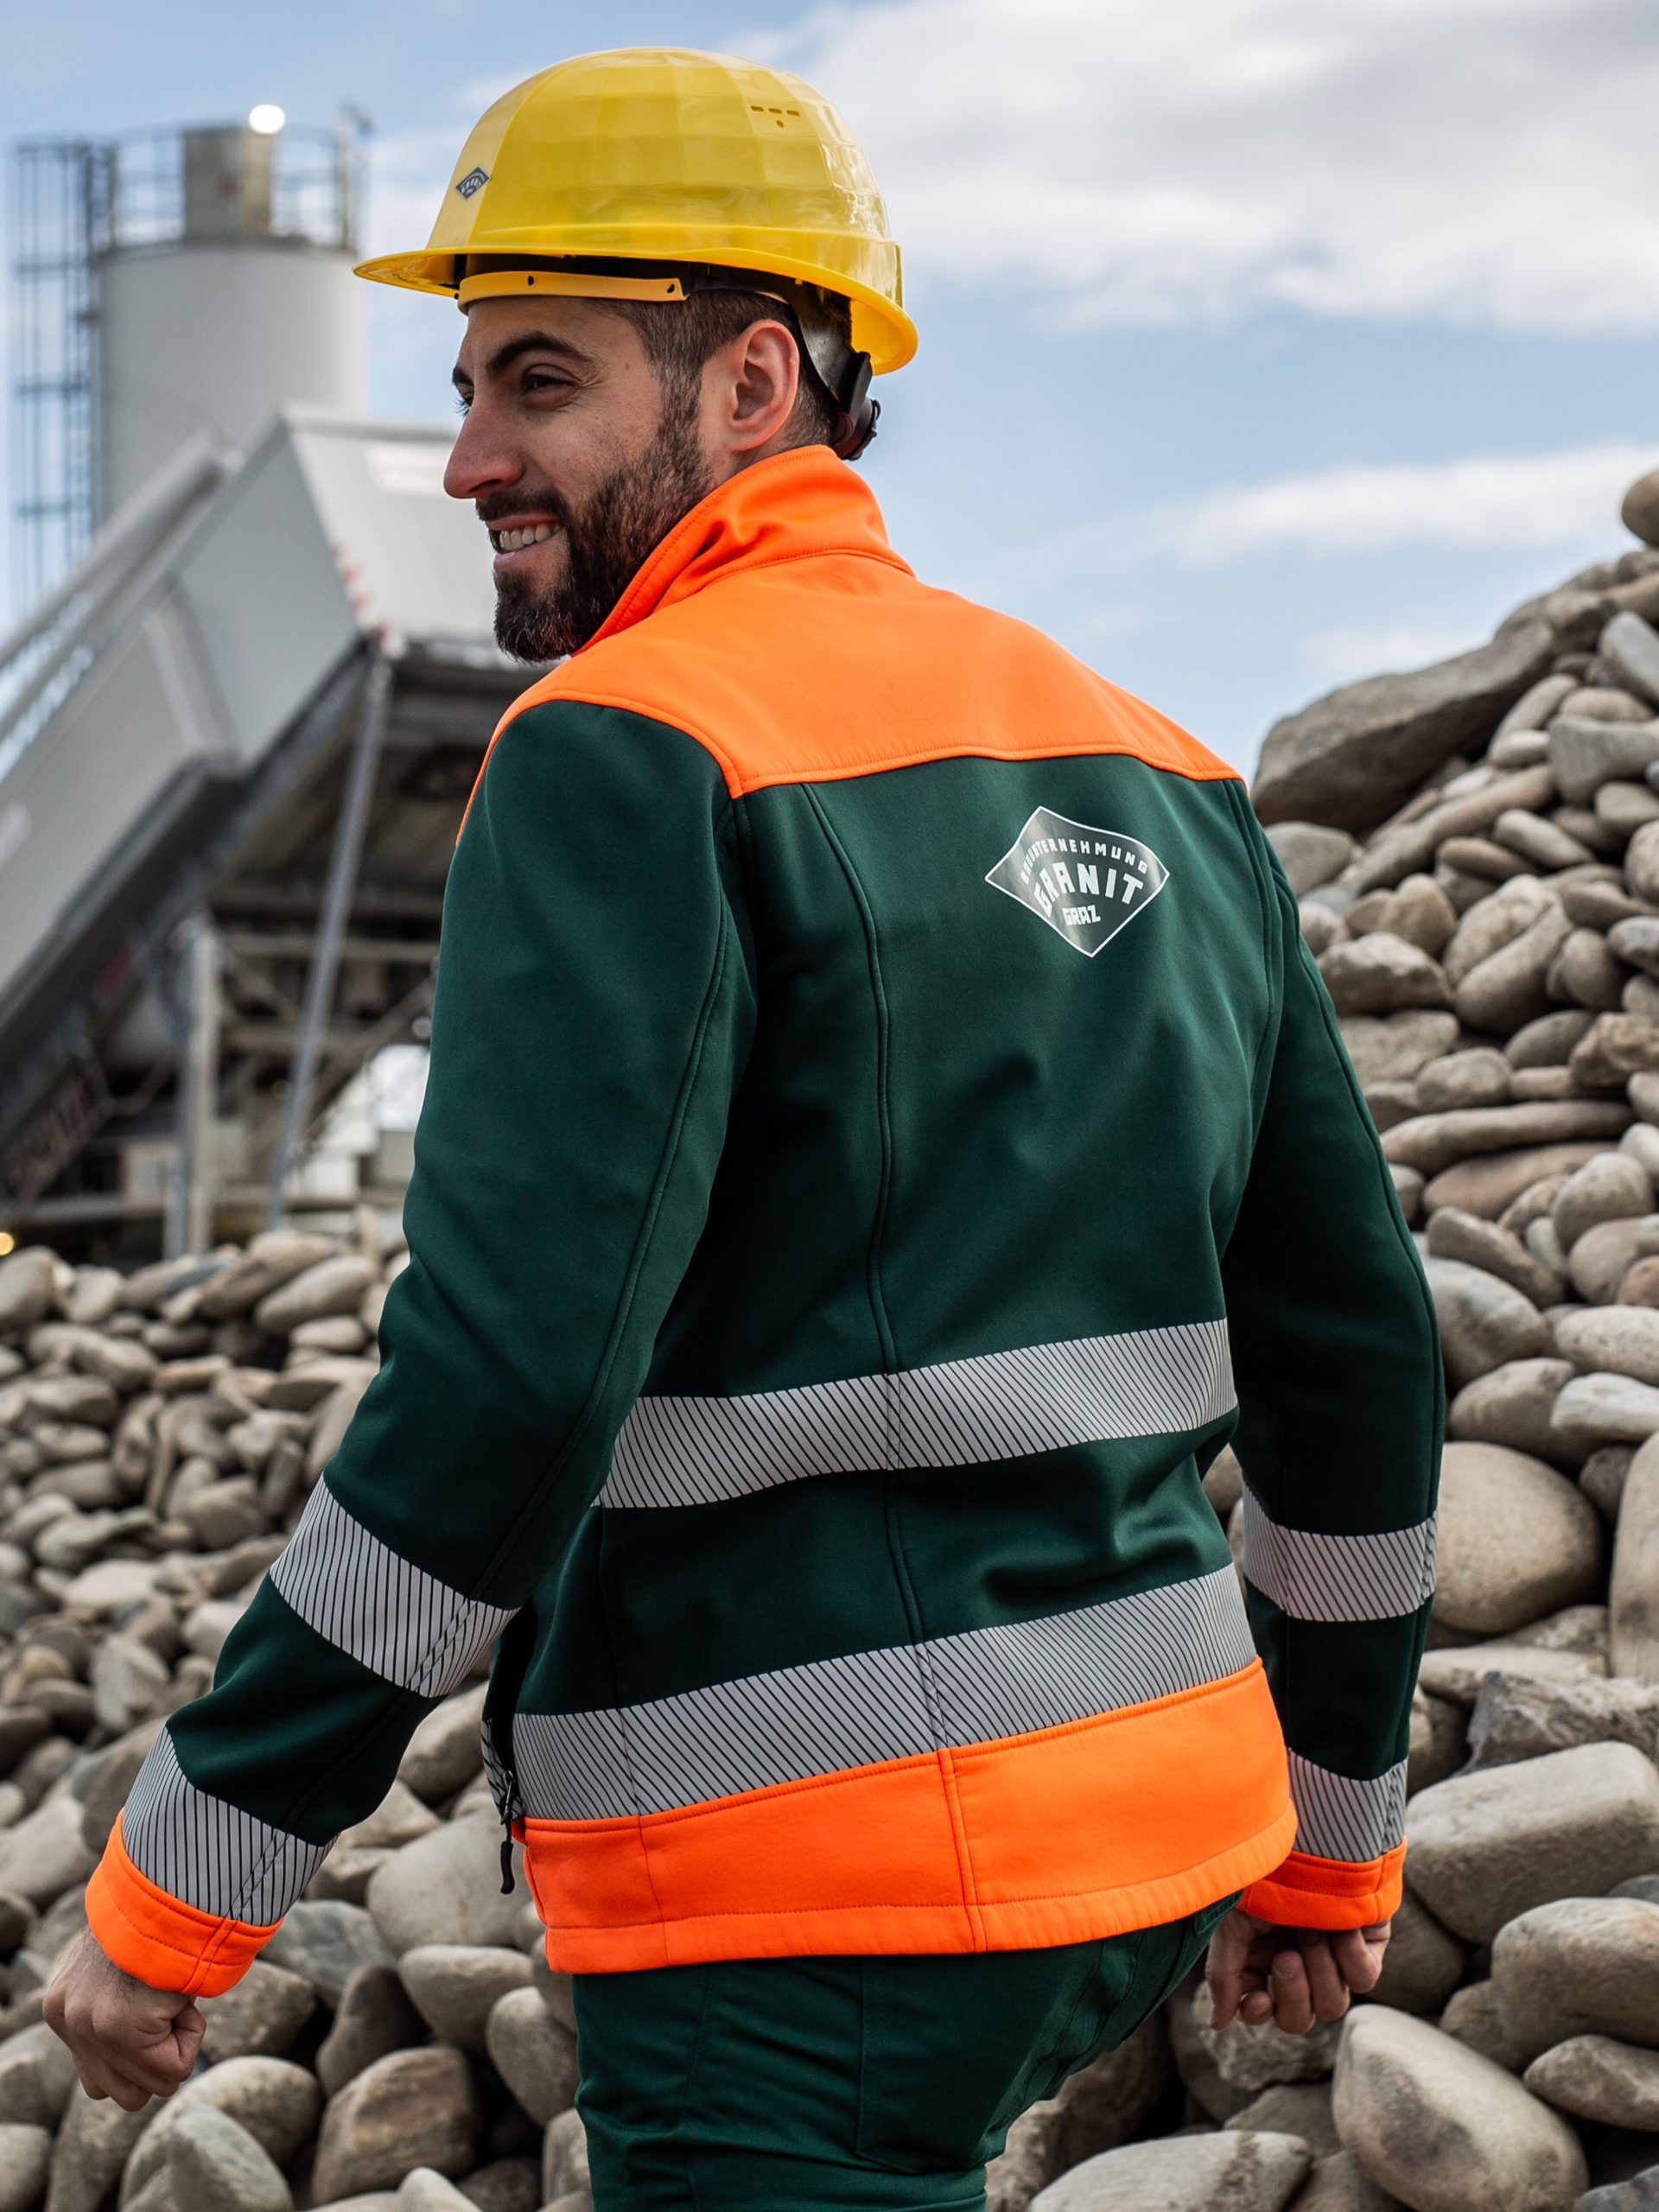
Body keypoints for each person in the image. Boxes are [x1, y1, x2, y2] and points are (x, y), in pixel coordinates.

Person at [47, 47, 1441, 2210]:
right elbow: (1358, 1351)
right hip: (1150, 1848)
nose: (465, 456)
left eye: (538, 382)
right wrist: (1335, 1829)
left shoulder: (624, 745)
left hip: (811, 1905)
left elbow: (509, 1387)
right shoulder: (1153, 759)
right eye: (467, 384)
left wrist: (191, 1866)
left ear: (754, 379)